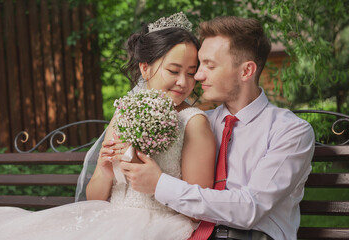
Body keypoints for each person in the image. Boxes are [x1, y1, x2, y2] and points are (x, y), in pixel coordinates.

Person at [0, 12, 216, 240]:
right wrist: (106, 170)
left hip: (160, 226)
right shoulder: (125, 112)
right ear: (145, 68)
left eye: (190, 73)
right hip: (107, 219)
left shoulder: (193, 122)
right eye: (173, 71)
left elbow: (199, 211)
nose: (183, 82)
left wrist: (157, 183)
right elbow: (94, 199)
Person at [113, 16, 315, 240]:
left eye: (209, 65)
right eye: (199, 66)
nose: (198, 76)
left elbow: (250, 209)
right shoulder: (197, 123)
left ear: (246, 71)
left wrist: (160, 184)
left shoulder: (290, 131)